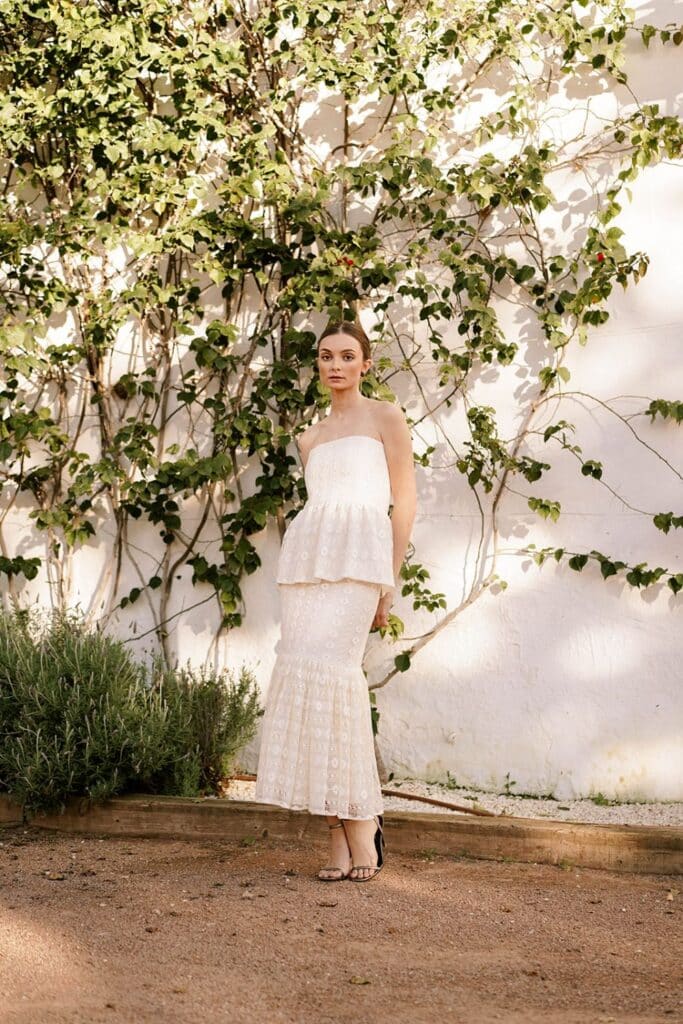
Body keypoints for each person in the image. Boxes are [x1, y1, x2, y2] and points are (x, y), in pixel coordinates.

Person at [254, 319, 417, 882]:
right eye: (326, 356)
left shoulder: (386, 417)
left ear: (365, 363)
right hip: (308, 566)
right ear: (318, 365)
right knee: (304, 681)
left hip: (359, 564)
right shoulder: (310, 437)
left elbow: (404, 501)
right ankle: (335, 834)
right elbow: (321, 508)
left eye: (348, 355)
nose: (336, 365)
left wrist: (388, 579)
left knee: (337, 680)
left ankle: (363, 821)